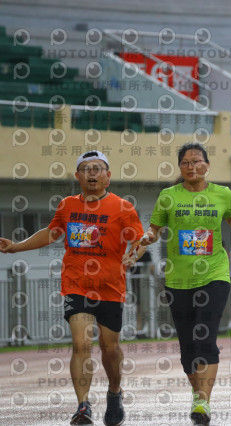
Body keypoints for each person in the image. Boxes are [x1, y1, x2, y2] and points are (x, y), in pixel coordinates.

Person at [0, 150, 145, 425]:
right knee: (81, 344)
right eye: (86, 169)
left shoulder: (123, 207)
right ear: (78, 176)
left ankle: (115, 392)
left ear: (108, 177)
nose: (92, 173)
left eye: (97, 169)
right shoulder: (67, 205)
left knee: (110, 348)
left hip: (110, 287)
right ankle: (83, 406)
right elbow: (51, 233)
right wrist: (16, 247)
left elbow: (138, 240)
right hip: (76, 284)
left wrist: (133, 255)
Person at [138, 142, 231, 426]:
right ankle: (198, 394)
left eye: (197, 161)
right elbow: (154, 230)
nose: (191, 166)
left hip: (215, 273)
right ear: (180, 167)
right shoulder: (168, 196)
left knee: (205, 337)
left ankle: (202, 401)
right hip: (178, 278)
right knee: (188, 344)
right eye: (185, 162)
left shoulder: (222, 193)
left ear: (207, 165)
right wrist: (146, 238)